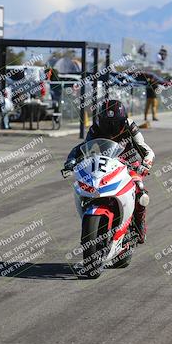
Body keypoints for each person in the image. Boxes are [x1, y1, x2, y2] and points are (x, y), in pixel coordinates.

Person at [64, 100, 155, 244]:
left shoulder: (129, 125)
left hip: (130, 165)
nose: (111, 127)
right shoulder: (96, 128)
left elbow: (146, 149)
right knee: (88, 185)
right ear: (101, 120)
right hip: (104, 164)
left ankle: (139, 226)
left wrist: (146, 164)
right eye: (108, 123)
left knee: (140, 190)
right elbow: (83, 147)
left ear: (122, 120)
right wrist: (71, 161)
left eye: (115, 123)